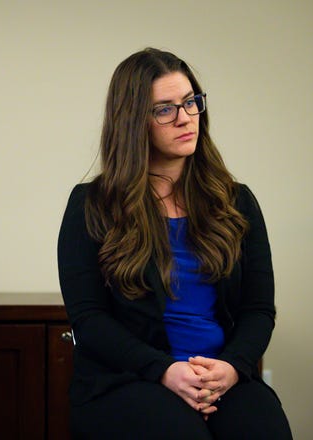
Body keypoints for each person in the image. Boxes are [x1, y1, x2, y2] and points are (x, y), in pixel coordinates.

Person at [57, 48, 292, 439]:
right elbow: (89, 319)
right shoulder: (92, 205)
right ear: (134, 122)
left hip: (223, 375)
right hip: (130, 378)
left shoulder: (237, 201)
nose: (185, 118)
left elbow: (258, 309)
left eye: (190, 102)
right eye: (164, 109)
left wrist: (231, 367)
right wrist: (165, 371)